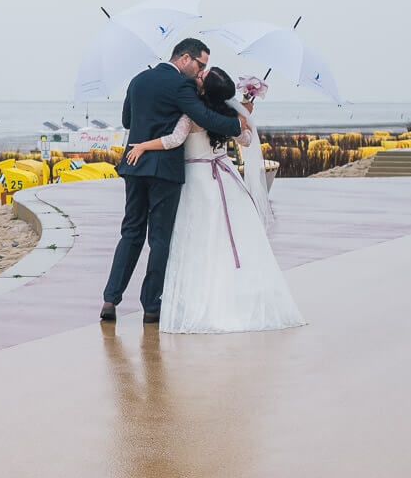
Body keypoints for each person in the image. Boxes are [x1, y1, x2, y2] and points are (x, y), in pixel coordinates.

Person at [122, 66, 304, 333]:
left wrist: (142, 145)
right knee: (227, 243)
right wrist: (243, 119)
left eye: (201, 78)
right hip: (225, 178)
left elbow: (174, 140)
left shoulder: (192, 113)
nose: (196, 77)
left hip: (196, 178)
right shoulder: (227, 115)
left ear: (204, 89)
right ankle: (233, 297)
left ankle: (195, 301)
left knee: (196, 241)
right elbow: (247, 140)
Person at [99, 39, 245, 325]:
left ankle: (110, 300)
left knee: (130, 233)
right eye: (200, 65)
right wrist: (238, 124)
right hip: (164, 170)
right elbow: (202, 116)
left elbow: (128, 120)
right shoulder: (182, 86)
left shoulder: (138, 80)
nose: (201, 71)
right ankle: (151, 306)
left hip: (134, 165)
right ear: (185, 58)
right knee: (159, 239)